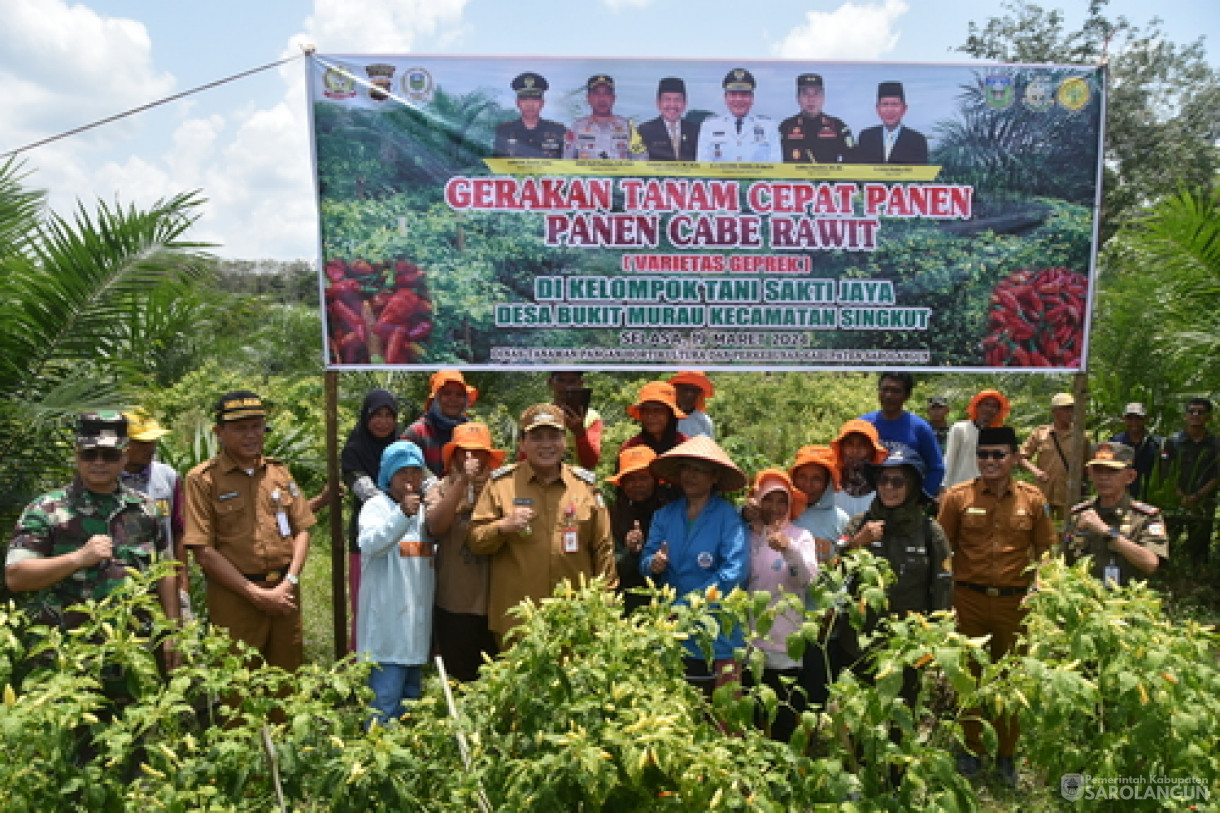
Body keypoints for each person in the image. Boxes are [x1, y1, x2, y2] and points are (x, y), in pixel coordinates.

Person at [6, 412, 181, 673]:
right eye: (89, 454)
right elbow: (17, 577)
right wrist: (77, 559)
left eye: (109, 455)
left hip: (134, 655)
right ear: (77, 456)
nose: (99, 462)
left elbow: (164, 572)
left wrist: (172, 631)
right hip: (67, 656)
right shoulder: (47, 509)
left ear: (124, 456)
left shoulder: (146, 509)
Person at [938, 426, 1055, 786]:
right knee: (967, 676)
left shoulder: (1033, 500)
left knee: (1010, 677)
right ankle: (971, 749)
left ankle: (1007, 753)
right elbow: (943, 551)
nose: (989, 461)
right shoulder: (958, 498)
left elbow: (1045, 552)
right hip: (968, 599)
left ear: (1015, 457)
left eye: (998, 455)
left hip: (1014, 602)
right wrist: (945, 602)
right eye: (983, 455)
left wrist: (1042, 588)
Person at [834, 443, 953, 786]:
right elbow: (832, 573)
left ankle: (895, 780)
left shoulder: (930, 532)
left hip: (906, 645)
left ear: (913, 485)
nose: (889, 488)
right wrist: (858, 541)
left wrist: (934, 641)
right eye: (883, 481)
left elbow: (942, 588)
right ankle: (859, 777)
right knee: (858, 714)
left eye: (898, 482)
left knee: (901, 715)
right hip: (859, 642)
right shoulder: (859, 523)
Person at [183, 391, 315, 671]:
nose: (250, 435)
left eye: (256, 426)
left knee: (287, 680)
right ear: (219, 432)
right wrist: (257, 595)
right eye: (240, 428)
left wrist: (288, 582)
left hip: (285, 593)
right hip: (235, 598)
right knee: (239, 685)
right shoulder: (203, 480)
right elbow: (204, 552)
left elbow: (302, 529)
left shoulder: (279, 473)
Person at [469, 404, 615, 645]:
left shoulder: (585, 487)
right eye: (536, 437)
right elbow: (475, 540)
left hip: (575, 620)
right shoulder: (500, 485)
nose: (546, 444)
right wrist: (503, 526)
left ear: (564, 441)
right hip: (518, 621)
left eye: (554, 436)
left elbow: (603, 550)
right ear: (522, 443)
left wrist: (605, 604)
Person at [640, 435, 748, 698]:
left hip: (717, 633)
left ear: (714, 477)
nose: (691, 476)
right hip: (672, 633)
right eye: (687, 468)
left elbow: (734, 572)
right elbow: (645, 560)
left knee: (721, 717)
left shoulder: (728, 518)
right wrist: (652, 565)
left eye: (699, 470)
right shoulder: (664, 515)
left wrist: (687, 606)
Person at [357, 440, 434, 723]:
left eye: (416, 472)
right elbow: (370, 544)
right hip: (386, 635)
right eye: (403, 473)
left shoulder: (425, 513)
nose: (411, 480)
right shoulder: (376, 507)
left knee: (411, 708)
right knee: (383, 707)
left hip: (415, 633)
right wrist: (401, 514)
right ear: (389, 475)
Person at [425, 422, 503, 682]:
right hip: (454, 603)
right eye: (464, 451)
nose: (471, 458)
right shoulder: (441, 487)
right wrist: (462, 483)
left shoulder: (502, 488)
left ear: (488, 455)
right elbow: (435, 527)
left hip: (495, 604)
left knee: (494, 679)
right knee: (458, 679)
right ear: (454, 455)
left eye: (478, 451)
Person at [744, 468, 817, 743]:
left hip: (786, 644)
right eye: (768, 500)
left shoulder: (801, 536)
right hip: (751, 645)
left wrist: (788, 549)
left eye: (781, 501)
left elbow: (806, 579)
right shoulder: (750, 536)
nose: (775, 507)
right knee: (754, 718)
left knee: (783, 719)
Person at [786, 445, 851, 711]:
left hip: (822, 622)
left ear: (828, 483)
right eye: (802, 477)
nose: (808, 485)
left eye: (816, 479)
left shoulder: (840, 520)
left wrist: (833, 611)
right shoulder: (784, 510)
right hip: (784, 619)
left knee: (815, 695)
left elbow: (846, 569)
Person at [340, 389, 400, 652]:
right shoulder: (354, 450)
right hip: (365, 539)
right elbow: (366, 492)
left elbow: (422, 478)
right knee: (365, 606)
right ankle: (360, 668)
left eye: (389, 415)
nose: (383, 422)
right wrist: (402, 503)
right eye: (377, 415)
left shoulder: (402, 447)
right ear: (366, 417)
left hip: (403, 536)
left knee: (397, 605)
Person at [1064, 441, 1169, 584]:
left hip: (1129, 601)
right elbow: (1064, 561)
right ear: (1090, 474)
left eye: (1112, 471)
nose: (1103, 477)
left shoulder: (1145, 517)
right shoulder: (1080, 514)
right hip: (1085, 600)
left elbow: (1151, 564)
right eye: (1098, 470)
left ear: (1130, 476)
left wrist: (1107, 533)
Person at [121, 409, 188, 612]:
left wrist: (182, 585)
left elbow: (179, 530)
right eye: (141, 443)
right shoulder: (106, 479)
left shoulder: (167, 477)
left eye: (153, 441)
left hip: (166, 583)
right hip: (121, 589)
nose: (149, 448)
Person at [860, 372, 946, 499]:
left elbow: (936, 468)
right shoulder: (863, 424)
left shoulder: (920, 428)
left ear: (907, 395)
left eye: (895, 391)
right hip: (867, 500)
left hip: (906, 504)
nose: (889, 395)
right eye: (885, 389)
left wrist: (920, 498)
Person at [607, 446, 667, 615]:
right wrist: (631, 552)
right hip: (626, 605)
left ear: (655, 480)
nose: (637, 484)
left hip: (665, 602)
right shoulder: (612, 516)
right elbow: (608, 567)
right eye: (630, 479)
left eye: (643, 478)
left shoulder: (670, 513)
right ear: (622, 484)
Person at [1158, 398, 1217, 564]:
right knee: (1169, 542)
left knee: (1199, 546)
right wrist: (1180, 496)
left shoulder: (1215, 444)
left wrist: (1197, 496)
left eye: (1201, 412)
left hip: (1204, 502)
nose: (1195, 415)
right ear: (1186, 415)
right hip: (1175, 501)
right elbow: (1166, 471)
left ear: (1208, 417)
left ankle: (1198, 580)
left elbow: (1216, 475)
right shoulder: (1173, 442)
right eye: (1192, 411)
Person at [1019, 392, 1084, 523]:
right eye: (1065, 409)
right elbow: (1021, 457)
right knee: (1040, 525)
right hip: (1044, 490)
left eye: (1072, 409)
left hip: (1068, 492)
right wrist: (1036, 472)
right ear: (1054, 411)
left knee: (1067, 529)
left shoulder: (1080, 436)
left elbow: (1088, 464)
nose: (1070, 413)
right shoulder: (1040, 433)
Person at [696, 68, 781, 163]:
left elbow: (775, 167)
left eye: (744, 94)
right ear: (725, 98)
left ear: (752, 98)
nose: (739, 99)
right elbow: (703, 167)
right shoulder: (709, 127)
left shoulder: (769, 127)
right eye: (733, 94)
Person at [402, 370, 476, 478]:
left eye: (459, 395)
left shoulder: (472, 431)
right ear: (436, 398)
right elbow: (400, 466)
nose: (453, 399)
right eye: (447, 393)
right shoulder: (417, 432)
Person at [942, 389, 1011, 490]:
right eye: (986, 404)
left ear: (998, 411)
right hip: (959, 488)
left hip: (988, 491)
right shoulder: (960, 428)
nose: (989, 409)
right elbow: (949, 459)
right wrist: (943, 487)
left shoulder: (999, 435)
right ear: (977, 407)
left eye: (994, 406)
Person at [778, 73, 855, 164]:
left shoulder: (838, 126)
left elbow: (852, 158)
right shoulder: (786, 127)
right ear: (798, 98)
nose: (811, 99)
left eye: (816, 94)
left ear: (823, 98)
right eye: (806, 94)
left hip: (828, 178)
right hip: (795, 178)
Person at [493, 71, 566, 159]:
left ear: (542, 103)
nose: (530, 105)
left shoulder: (558, 130)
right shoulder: (504, 131)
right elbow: (498, 165)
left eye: (534, 100)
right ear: (518, 103)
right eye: (525, 100)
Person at [563, 74, 638, 160]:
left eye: (606, 93)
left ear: (613, 98)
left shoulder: (628, 126)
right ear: (588, 98)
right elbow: (567, 159)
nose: (602, 98)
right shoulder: (577, 127)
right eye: (596, 93)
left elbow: (640, 159)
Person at [854, 81, 929, 165]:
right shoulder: (866, 137)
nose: (889, 110)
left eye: (895, 104)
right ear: (877, 108)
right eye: (885, 104)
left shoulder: (917, 140)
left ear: (904, 108)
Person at [831, 419, 889, 518]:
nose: (855, 451)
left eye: (862, 445)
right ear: (841, 448)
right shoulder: (830, 484)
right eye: (849, 444)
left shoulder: (885, 487)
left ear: (872, 450)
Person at [546, 370, 603, 470]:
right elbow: (524, 458)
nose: (566, 386)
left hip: (577, 482)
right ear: (550, 382)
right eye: (560, 380)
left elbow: (590, 463)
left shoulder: (592, 417)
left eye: (572, 381)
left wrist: (580, 433)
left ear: (581, 383)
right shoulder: (538, 414)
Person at [637, 77, 698, 161]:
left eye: (677, 100)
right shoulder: (644, 131)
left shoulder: (696, 130)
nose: (672, 105)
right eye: (667, 99)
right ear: (658, 103)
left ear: (685, 104)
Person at [1108, 402, 1159, 499]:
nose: (1134, 422)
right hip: (1121, 496)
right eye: (1130, 418)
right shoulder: (1115, 443)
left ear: (1145, 420)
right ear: (1124, 419)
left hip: (1149, 497)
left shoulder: (1156, 444)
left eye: (1138, 418)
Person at [670, 370, 715, 438]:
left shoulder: (704, 422)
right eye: (686, 389)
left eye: (694, 390)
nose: (689, 394)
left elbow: (709, 447)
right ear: (677, 389)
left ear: (700, 393)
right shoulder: (665, 417)